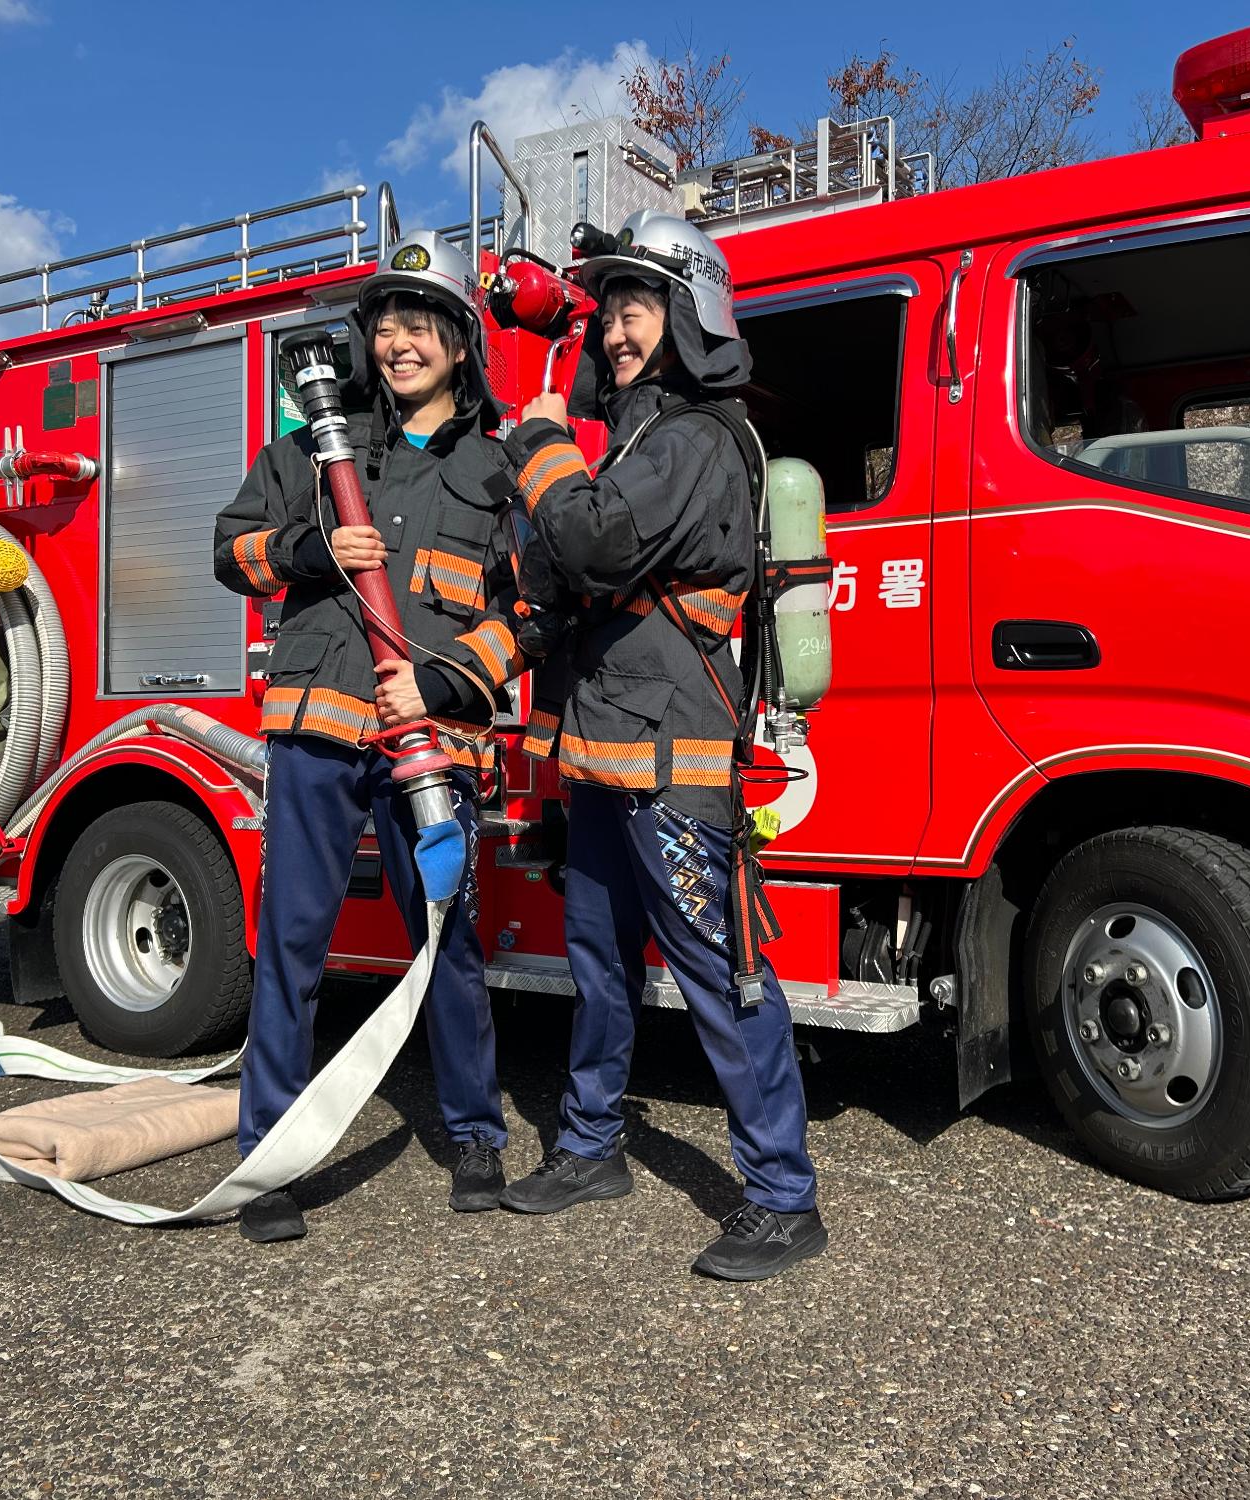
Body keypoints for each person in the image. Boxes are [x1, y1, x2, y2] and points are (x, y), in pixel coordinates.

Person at [496, 210, 825, 1281]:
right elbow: (562, 566)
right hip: (602, 762)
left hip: (673, 771)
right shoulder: (632, 441)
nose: (615, 332)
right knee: (595, 966)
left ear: (688, 317)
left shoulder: (690, 439)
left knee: (721, 976)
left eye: (636, 308)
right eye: (608, 316)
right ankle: (591, 1148)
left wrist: (542, 447)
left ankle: (782, 1195)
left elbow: (589, 540)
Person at [213, 230, 522, 1242]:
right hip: (315, 728)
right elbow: (231, 550)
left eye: (420, 324)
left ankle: (475, 1135)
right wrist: (311, 544)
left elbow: (528, 613)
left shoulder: (498, 464)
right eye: (385, 323)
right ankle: (269, 1159)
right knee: (293, 941)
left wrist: (439, 679)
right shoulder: (314, 446)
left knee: (449, 946)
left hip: (430, 740)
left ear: (459, 343)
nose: (399, 342)